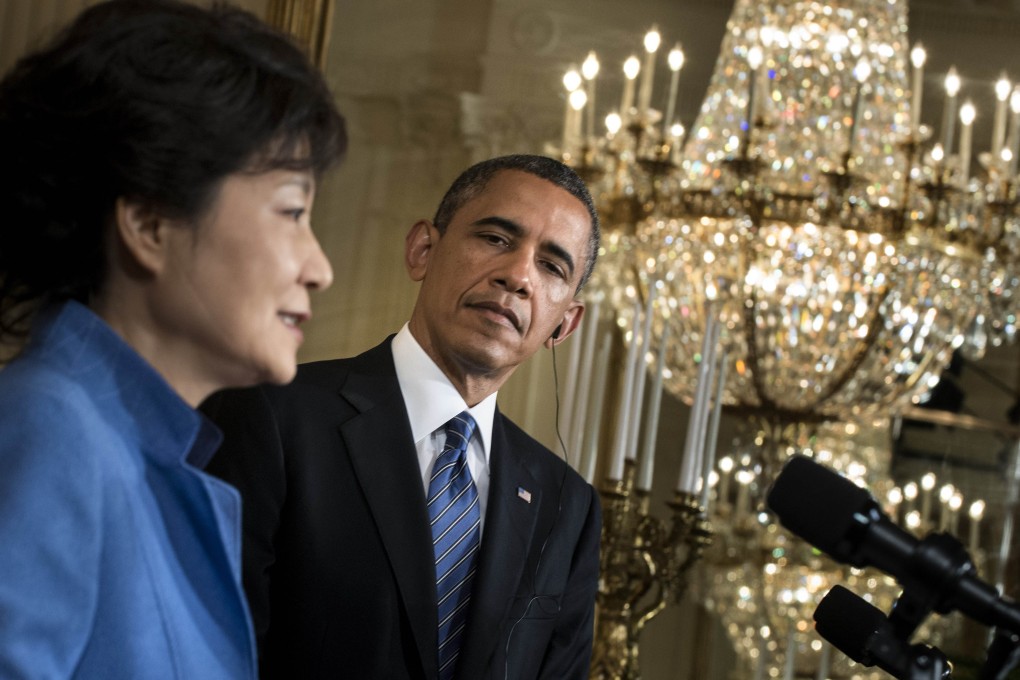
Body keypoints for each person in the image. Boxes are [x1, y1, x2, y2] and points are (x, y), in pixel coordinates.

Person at [0, 1, 346, 677]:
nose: (321, 268)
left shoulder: (134, 449)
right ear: (150, 223)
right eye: (292, 212)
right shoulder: (52, 430)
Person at [203, 154, 603, 679]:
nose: (518, 276)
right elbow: (208, 653)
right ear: (422, 251)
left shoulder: (567, 505)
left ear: (565, 324)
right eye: (495, 239)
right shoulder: (273, 416)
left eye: (552, 266)